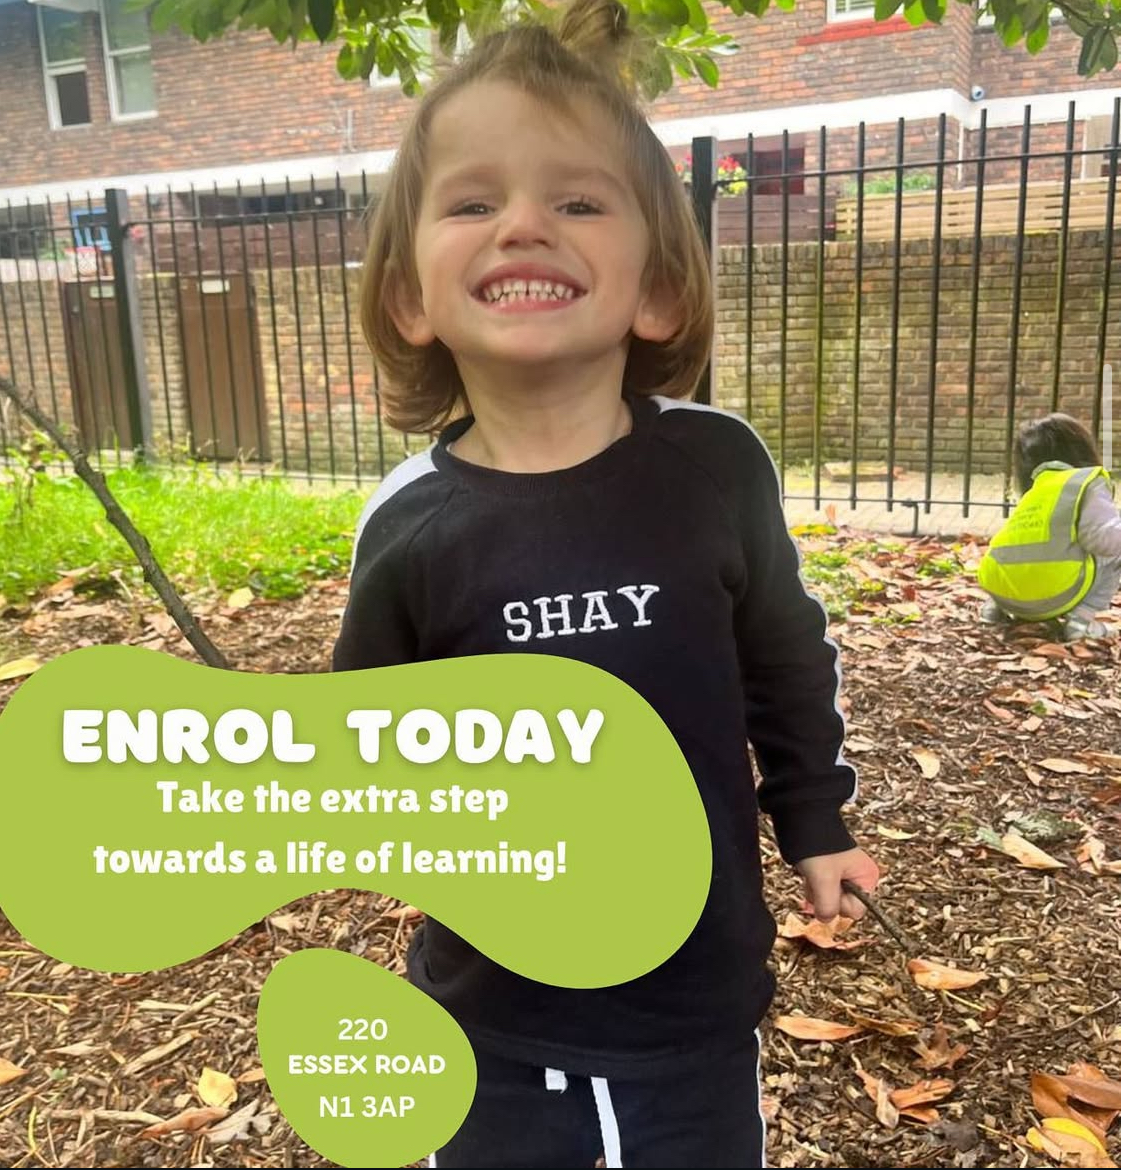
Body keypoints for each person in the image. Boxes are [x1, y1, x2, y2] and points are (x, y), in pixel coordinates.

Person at [332, 1, 879, 1164]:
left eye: (577, 201)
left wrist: (814, 818)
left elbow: (784, 651)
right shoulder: (409, 527)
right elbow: (369, 755)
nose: (524, 224)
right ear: (411, 301)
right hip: (489, 1022)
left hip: (693, 1012)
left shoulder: (713, 468)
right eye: (474, 202)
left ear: (659, 292)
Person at [978, 413, 1120, 642]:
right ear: (1082, 451)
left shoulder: (1037, 489)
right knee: (1114, 551)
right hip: (1054, 597)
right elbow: (1104, 539)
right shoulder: (1086, 482)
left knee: (1026, 546)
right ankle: (1081, 622)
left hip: (1002, 591)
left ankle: (993, 609)